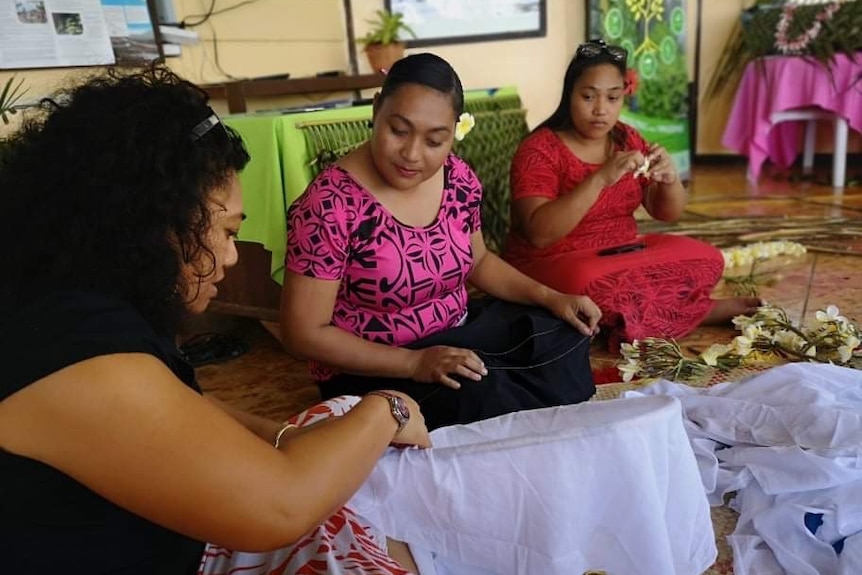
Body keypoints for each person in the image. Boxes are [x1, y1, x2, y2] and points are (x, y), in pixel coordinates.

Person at [0, 66, 431, 575]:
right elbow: (281, 507)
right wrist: (387, 410)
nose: (229, 257)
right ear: (153, 224)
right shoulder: (74, 354)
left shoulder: (74, 301)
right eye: (227, 231)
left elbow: (173, 409)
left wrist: (278, 435)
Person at [281, 53, 602, 430]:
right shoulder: (330, 205)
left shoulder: (457, 178)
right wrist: (413, 364)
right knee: (484, 393)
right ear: (376, 110)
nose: (413, 154)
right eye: (398, 131)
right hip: (374, 366)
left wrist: (552, 297)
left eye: (435, 140)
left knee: (560, 335)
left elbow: (478, 261)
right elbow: (303, 333)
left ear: (454, 131)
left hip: (457, 333)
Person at [502, 39, 761, 352]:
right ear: (569, 94)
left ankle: (629, 318)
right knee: (588, 282)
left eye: (612, 98)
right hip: (555, 262)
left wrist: (668, 179)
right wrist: (599, 178)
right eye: (588, 96)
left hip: (620, 253)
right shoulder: (539, 149)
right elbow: (539, 235)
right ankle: (698, 311)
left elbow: (667, 213)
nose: (601, 110)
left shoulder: (626, 138)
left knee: (707, 259)